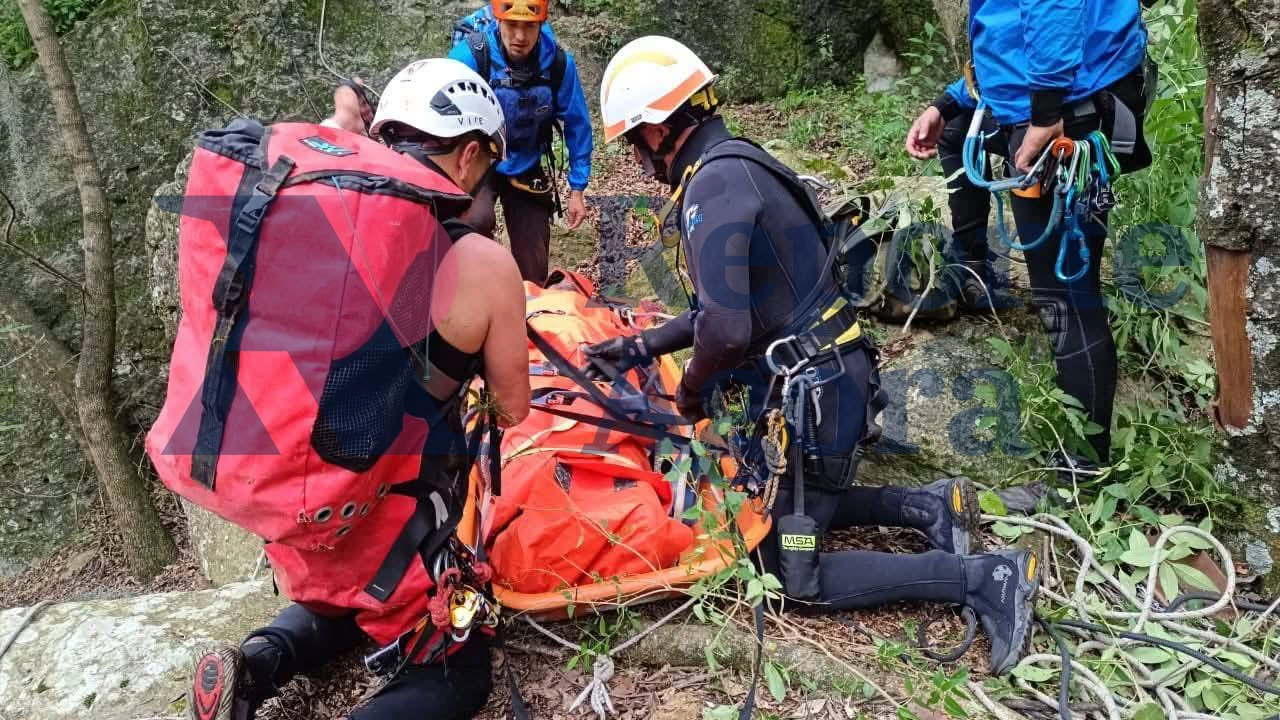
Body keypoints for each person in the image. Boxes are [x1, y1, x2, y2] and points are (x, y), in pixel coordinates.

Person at [587, 35, 1040, 674]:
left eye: (634, 142)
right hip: (832, 384)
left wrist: (687, 395)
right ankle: (931, 504)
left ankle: (980, 578)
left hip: (820, 401)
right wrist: (640, 344)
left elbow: (724, 331)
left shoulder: (711, 189)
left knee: (788, 566)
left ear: (660, 129)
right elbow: (729, 305)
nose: (637, 162)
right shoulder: (738, 164)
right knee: (786, 502)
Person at [188, 59, 531, 720]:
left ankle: (254, 663)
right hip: (387, 522)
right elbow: (512, 406)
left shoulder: (311, 226)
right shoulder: (481, 263)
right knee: (456, 670)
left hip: (291, 507)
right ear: (467, 156)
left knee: (334, 604)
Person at [906, 0, 1152, 469]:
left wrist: (1044, 115)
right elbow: (1008, 26)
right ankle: (975, 274)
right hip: (1055, 94)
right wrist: (951, 100)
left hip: (1066, 112)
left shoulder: (1050, 101)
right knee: (956, 130)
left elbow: (1053, 6)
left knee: (1064, 297)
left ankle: (1082, 472)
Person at [448, 0, 594, 284]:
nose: (519, 37)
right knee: (472, 224)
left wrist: (577, 189)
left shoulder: (558, 65)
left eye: (528, 27)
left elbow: (578, 124)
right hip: (479, 158)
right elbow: (442, 113)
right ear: (497, 21)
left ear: (541, 25)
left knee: (533, 259)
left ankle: (528, 314)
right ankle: (475, 298)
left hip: (526, 160)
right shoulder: (470, 57)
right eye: (512, 25)